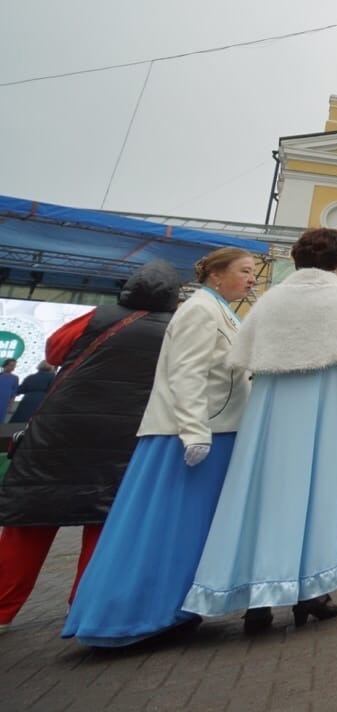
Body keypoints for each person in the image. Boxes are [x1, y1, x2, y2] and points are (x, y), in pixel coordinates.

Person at [182, 228, 337, 631]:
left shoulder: (272, 299)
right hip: (324, 398)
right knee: (318, 491)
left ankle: (257, 599)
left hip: (270, 405)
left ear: (298, 258)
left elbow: (244, 353)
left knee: (262, 493)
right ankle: (312, 591)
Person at [63, 247, 257, 646]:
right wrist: (194, 431)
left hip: (212, 431)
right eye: (244, 270)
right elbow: (186, 373)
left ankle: (173, 608)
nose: (252, 278)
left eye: (253, 272)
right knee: (167, 527)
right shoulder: (201, 311)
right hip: (192, 436)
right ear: (216, 275)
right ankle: (135, 615)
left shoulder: (219, 310)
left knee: (186, 529)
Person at [0, 262, 180, 632]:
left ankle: (2, 607)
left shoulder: (98, 317)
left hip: (59, 430)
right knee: (104, 521)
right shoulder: (173, 330)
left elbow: (53, 351)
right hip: (124, 434)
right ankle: (84, 606)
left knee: (30, 522)